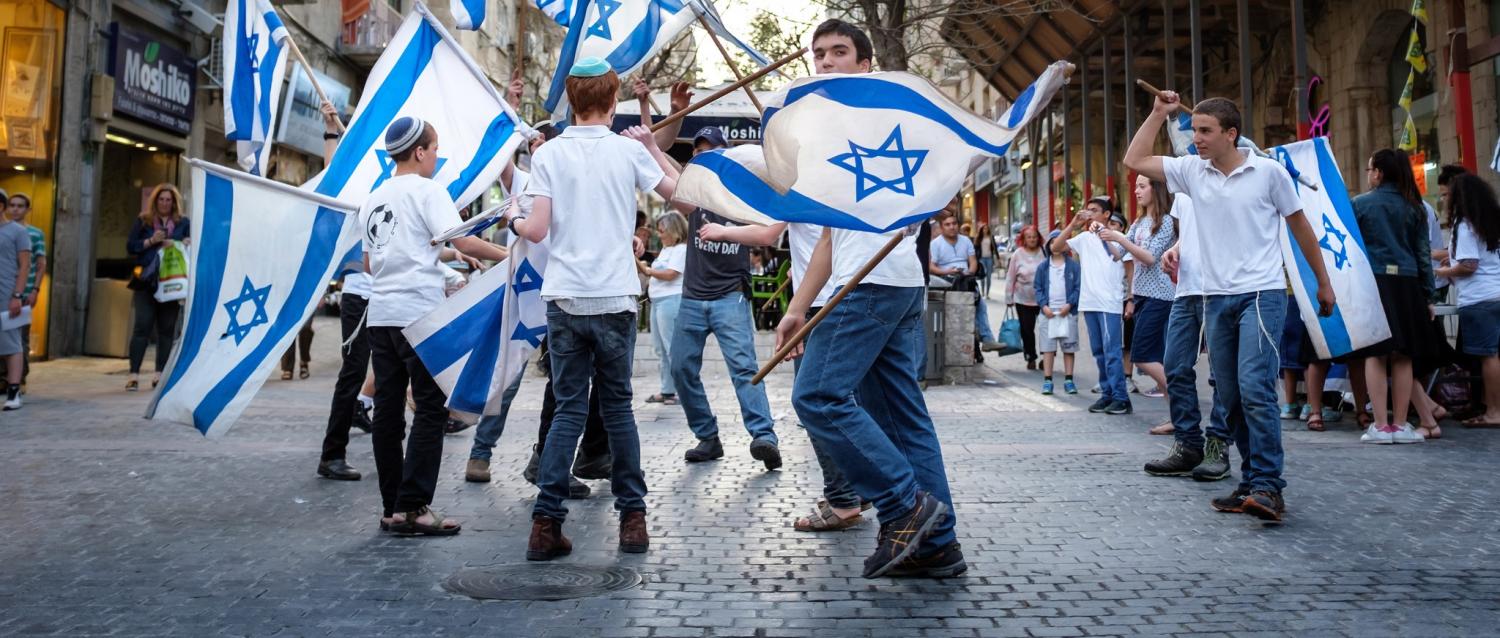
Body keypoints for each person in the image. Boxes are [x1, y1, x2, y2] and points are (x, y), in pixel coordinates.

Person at [776, 19, 962, 579]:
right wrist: (795, 309)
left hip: (873, 285)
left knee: (818, 398)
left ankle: (906, 506)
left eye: (839, 52)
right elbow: (829, 238)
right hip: (880, 284)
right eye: (819, 54)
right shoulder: (825, 130)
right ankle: (938, 545)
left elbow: (935, 171)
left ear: (864, 64)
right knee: (904, 421)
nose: (826, 61)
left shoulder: (881, 121)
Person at [1125, 92, 1334, 523]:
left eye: (1205, 131)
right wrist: (1158, 113)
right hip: (1214, 298)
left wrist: (1324, 285)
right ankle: (1250, 482)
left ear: (1230, 134)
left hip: (1262, 293)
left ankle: (1268, 488)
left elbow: (1301, 228)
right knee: (1233, 395)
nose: (1195, 139)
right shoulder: (1191, 172)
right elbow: (1136, 158)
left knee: (1256, 387)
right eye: (1194, 130)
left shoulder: (1269, 173)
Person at [509, 57, 678, 560]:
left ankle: (546, 523)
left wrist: (517, 219)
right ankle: (633, 520)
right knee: (618, 408)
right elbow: (681, 198)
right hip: (615, 297)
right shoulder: (627, 151)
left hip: (565, 296)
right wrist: (651, 145)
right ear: (612, 98)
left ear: (572, 99)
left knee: (568, 410)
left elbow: (536, 229)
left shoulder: (550, 155)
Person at [360, 115, 509, 536]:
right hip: (420, 317)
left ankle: (392, 507)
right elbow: (462, 240)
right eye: (436, 148)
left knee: (387, 411)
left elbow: (370, 263)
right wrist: (509, 256)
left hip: (382, 314)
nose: (438, 156)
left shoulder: (374, 198)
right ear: (420, 151)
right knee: (428, 408)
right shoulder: (429, 191)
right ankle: (414, 507)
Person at [669, 127, 782, 470]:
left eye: (711, 152)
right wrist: (647, 131)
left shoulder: (743, 196)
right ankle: (707, 436)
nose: (703, 158)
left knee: (744, 368)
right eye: (697, 153)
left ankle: (765, 437)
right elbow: (660, 165)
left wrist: (725, 230)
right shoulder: (694, 196)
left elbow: (766, 233)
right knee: (680, 367)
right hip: (692, 297)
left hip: (730, 296)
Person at [1345, 149, 1436, 445]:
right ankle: (1400, 424)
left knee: (1376, 352)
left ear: (1379, 172)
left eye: (1371, 169)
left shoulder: (1360, 204)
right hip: (1408, 283)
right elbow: (1423, 255)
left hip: (1374, 281)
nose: (1369, 174)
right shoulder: (1416, 207)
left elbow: (1350, 249)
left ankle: (1380, 425)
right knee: (1403, 355)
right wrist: (1429, 296)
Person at [1101, 177, 1177, 412]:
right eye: (1135, 186)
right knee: (1152, 356)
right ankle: (1176, 415)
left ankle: (1181, 396)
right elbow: (1118, 254)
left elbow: (1149, 257)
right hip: (1142, 295)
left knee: (1142, 355)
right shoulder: (1139, 222)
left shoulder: (1166, 222)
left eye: (1142, 186)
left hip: (1161, 296)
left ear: (1157, 189)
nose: (1136, 191)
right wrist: (1103, 235)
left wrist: (1119, 237)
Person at [1053, 198, 1131, 415]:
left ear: (1106, 215)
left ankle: (1121, 397)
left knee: (1112, 350)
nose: (1089, 213)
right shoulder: (1084, 238)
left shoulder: (1118, 237)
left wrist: (1104, 234)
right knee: (1098, 351)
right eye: (1088, 210)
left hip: (1109, 303)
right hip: (1090, 302)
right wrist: (1073, 225)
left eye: (1094, 210)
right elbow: (1056, 247)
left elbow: (1118, 257)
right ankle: (1107, 394)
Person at [1436, 174, 1500, 428]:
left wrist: (1444, 271)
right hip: (1496, 294)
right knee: (1494, 356)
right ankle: (1490, 408)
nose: (1445, 200)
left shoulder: (1463, 226)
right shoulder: (1490, 224)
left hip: (1478, 299)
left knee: (1488, 357)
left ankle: (1494, 411)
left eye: (1447, 195)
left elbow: (1469, 265)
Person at [125, 183, 190, 392]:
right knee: (142, 326)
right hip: (147, 280)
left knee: (166, 329)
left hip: (171, 281)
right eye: (161, 199)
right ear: (155, 200)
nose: (164, 203)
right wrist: (151, 241)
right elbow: (131, 246)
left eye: (168, 200)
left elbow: (191, 245)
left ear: (174, 202)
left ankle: (159, 374)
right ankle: (133, 374)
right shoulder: (143, 221)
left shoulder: (183, 223)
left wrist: (185, 241)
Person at [930, 209, 1001, 354]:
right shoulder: (936, 244)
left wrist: (969, 272)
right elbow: (931, 267)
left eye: (954, 223)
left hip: (965, 279)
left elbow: (973, 262)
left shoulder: (965, 240)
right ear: (942, 227)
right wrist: (948, 271)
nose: (952, 227)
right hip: (947, 281)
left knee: (980, 304)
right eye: (948, 224)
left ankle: (987, 340)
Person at [640, 211, 688, 405]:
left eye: (662, 231)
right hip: (659, 301)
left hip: (671, 300)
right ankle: (667, 390)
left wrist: (648, 270)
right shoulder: (666, 250)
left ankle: (683, 391)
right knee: (661, 348)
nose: (659, 235)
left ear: (674, 231)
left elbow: (670, 274)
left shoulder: (681, 249)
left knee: (671, 348)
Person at [1034, 230, 1080, 395]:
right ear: (1048, 245)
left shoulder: (1073, 266)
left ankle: (1069, 380)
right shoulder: (1043, 267)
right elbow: (1038, 288)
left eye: (1059, 241)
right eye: (1052, 241)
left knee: (1069, 348)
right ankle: (1048, 380)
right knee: (1048, 349)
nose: (1056, 244)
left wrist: (1069, 304)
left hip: (1068, 313)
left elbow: (1077, 287)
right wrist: (1043, 306)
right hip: (1048, 313)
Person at [6, 193, 42, 392]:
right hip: (5, 290)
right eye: (12, 205)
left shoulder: (35, 233)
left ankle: (20, 380)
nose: (15, 209)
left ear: (28, 209)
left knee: (21, 337)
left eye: (20, 206)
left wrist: (35, 289)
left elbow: (39, 263)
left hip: (25, 292)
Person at [0, 200, 30, 410]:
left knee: (11, 342)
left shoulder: (17, 231)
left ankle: (14, 391)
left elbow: (25, 264)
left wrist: (17, 294)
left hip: (6, 291)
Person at [1006, 225, 1046, 370]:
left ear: (1038, 238)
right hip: (1022, 299)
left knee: (1046, 329)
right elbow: (1010, 277)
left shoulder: (1044, 252)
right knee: (1027, 330)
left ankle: (1045, 357)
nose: (1032, 239)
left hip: (1043, 299)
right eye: (1029, 237)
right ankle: (1031, 357)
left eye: (1034, 236)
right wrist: (1008, 297)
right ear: (1023, 239)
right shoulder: (1018, 254)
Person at [976, 223, 997, 298]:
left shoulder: (991, 237)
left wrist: (998, 258)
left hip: (989, 258)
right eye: (984, 228)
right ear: (982, 230)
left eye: (987, 228)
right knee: (982, 276)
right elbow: (976, 249)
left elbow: (995, 248)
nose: (985, 230)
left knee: (989, 276)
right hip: (982, 258)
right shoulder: (979, 238)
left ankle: (987, 293)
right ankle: (982, 292)